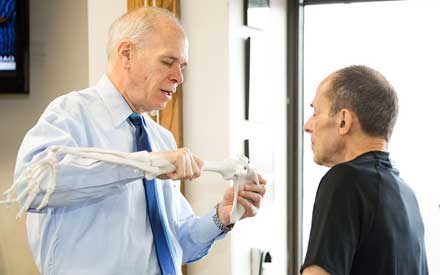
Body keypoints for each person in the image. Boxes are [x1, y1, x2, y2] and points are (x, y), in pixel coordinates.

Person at [14, 7, 266, 275]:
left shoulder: (161, 138)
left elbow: (175, 244)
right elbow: (30, 187)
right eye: (168, 62)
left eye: (182, 67)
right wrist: (143, 165)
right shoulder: (71, 114)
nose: (179, 78)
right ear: (127, 54)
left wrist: (221, 217)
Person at [301, 65, 429, 275]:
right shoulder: (408, 196)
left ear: (344, 120)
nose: (308, 125)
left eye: (316, 112)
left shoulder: (344, 181)